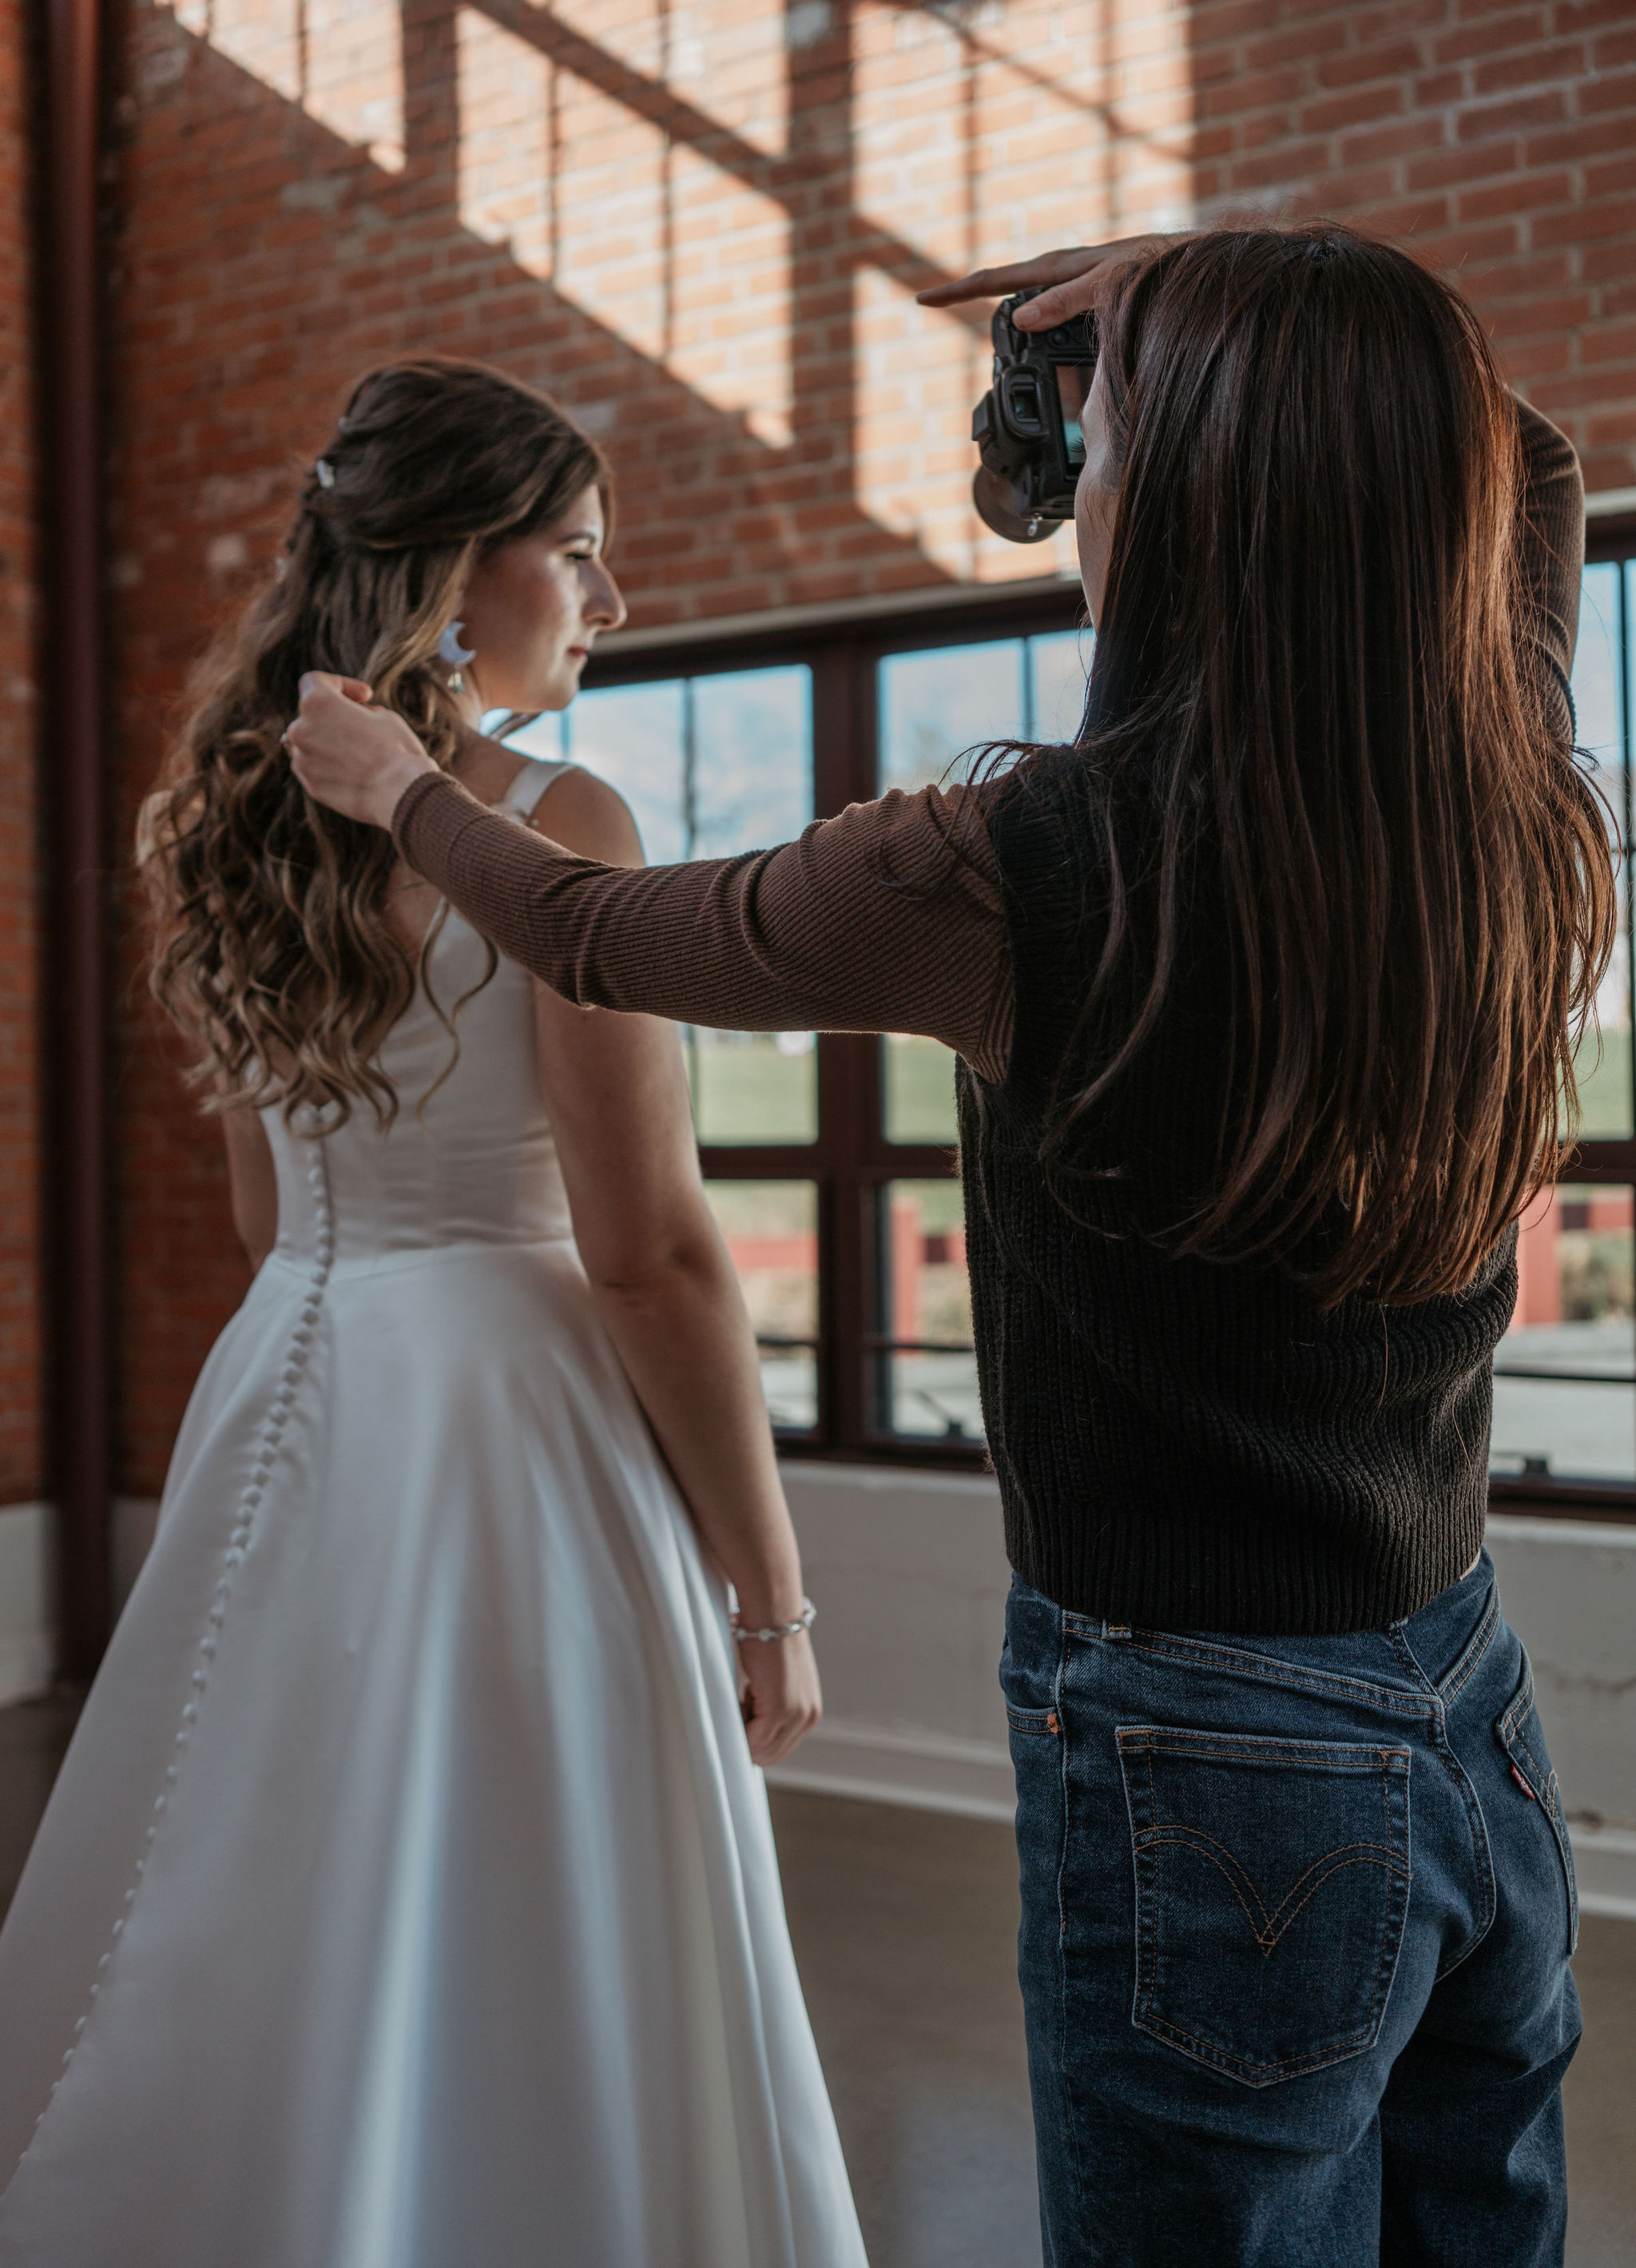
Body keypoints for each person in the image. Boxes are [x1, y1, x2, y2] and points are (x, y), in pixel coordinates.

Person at [287, 231, 1607, 2268]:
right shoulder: (1515, 822)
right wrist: (1203, 297)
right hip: (1473, 1706)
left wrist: (403, 793)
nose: (1070, 491)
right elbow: (1525, 460)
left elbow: (600, 937)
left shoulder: (1008, 870)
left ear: (1177, 514)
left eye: (1104, 454)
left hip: (1195, 1756)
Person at [0, 358, 868, 2268]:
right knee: (527, 1901)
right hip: (511, 1422)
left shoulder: (218, 826)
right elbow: (647, 1255)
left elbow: (258, 1210)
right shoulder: (565, 817)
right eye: (579, 551)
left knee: (258, 1867)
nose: (609, 600)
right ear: (454, 578)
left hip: (290, 1383)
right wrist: (771, 1586)